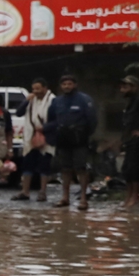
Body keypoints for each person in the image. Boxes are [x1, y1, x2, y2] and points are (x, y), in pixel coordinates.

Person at [43, 72, 97, 210]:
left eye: (70, 84)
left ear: (75, 85)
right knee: (65, 169)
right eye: (64, 84)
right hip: (62, 138)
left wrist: (84, 134)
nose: (67, 86)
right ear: (61, 86)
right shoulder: (56, 101)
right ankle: (65, 197)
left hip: (79, 138)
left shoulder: (84, 99)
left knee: (81, 168)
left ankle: (83, 199)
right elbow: (52, 120)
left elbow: (92, 121)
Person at [16, 78, 53, 201]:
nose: (35, 91)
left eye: (38, 88)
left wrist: (45, 127)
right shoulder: (31, 100)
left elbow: (56, 120)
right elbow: (19, 112)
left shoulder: (52, 100)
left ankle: (42, 192)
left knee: (44, 166)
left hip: (46, 136)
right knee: (27, 165)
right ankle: (25, 191)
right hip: (30, 137)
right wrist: (26, 101)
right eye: (33, 89)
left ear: (45, 88)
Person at [118, 78, 139, 207]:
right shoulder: (129, 102)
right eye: (122, 87)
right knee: (126, 169)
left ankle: (135, 196)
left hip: (138, 140)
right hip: (129, 140)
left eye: (126, 87)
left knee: (134, 168)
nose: (123, 90)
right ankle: (129, 195)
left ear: (135, 87)